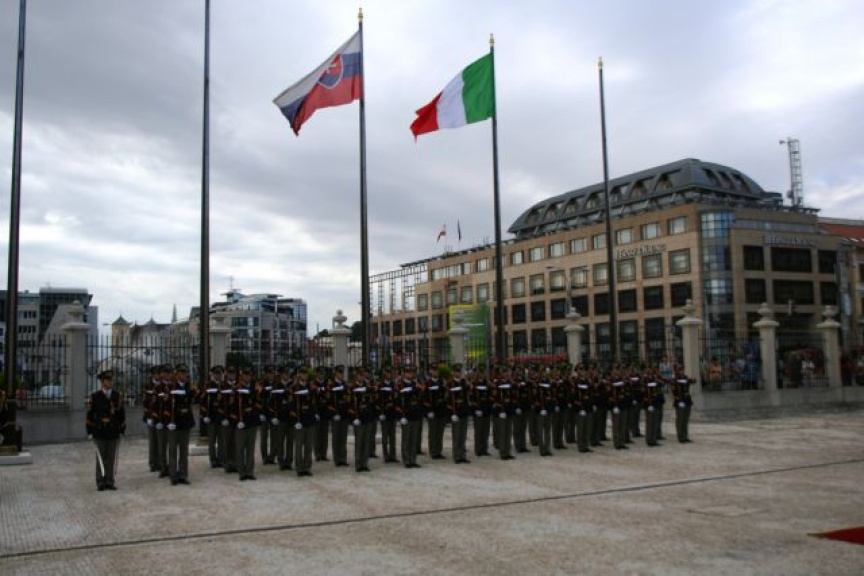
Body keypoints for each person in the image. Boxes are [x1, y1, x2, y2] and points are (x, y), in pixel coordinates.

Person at [86, 369, 126, 491]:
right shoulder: (95, 396)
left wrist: (122, 431)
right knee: (101, 458)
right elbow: (90, 415)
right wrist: (89, 431)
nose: (111, 382)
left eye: (111, 380)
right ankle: (100, 481)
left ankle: (109, 481)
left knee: (111, 457)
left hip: (113, 431)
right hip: (100, 431)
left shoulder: (117, 396)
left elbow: (121, 415)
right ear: (102, 382)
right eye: (108, 380)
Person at [166, 364, 196, 485]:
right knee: (173, 451)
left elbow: (194, 398)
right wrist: (168, 422)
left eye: (185, 373)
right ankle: (173, 475)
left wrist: (193, 389)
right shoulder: (171, 386)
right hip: (174, 422)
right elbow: (166, 406)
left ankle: (183, 474)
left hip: (185, 422)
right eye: (181, 373)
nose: (184, 375)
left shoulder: (189, 386)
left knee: (184, 451)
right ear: (177, 374)